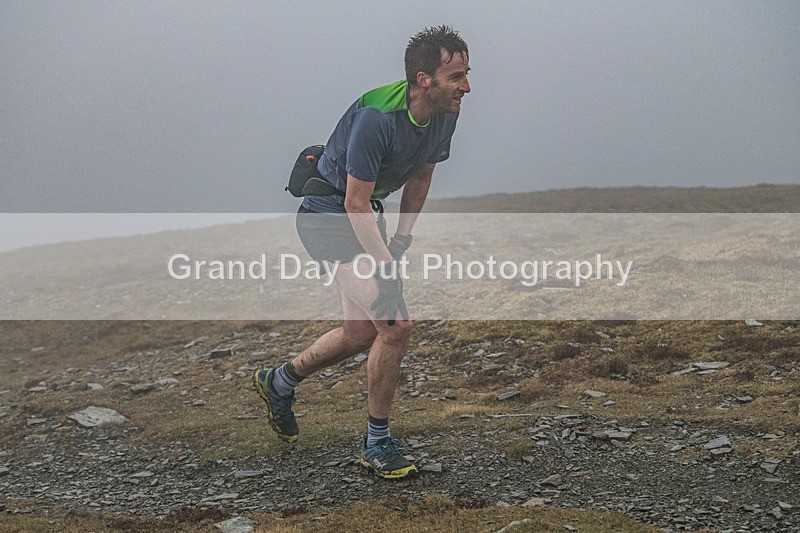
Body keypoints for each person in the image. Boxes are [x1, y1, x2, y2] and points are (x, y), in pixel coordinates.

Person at [254, 25, 470, 479]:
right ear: (423, 78)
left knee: (358, 333)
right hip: (328, 216)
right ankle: (376, 442)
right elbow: (352, 202)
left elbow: (421, 178)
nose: (466, 87)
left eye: (467, 75)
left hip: (362, 216)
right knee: (395, 326)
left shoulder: (445, 114)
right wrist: (387, 268)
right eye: (456, 77)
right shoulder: (377, 117)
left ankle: (280, 381)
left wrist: (402, 241)